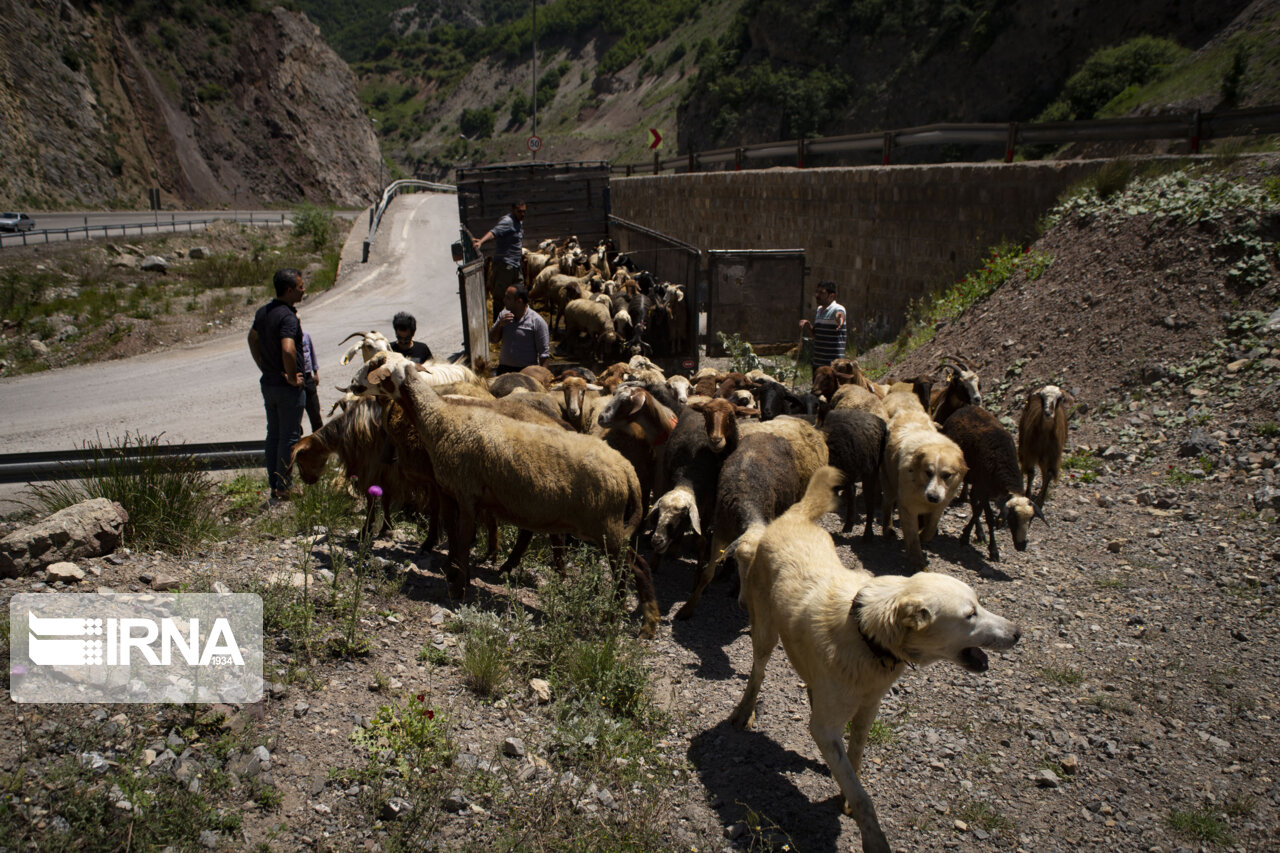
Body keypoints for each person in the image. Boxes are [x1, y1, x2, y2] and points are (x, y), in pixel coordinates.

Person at [248, 268, 307, 501]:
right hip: (287, 388)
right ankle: (285, 486)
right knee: (289, 437)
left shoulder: (264, 312)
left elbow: (252, 339)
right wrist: (292, 377)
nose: (304, 290)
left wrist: (263, 365)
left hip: (269, 383)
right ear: (290, 290)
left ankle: (274, 484)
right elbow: (288, 349)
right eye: (301, 286)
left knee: (273, 434)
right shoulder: (287, 317)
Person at [473, 201, 526, 306]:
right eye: (519, 211)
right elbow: (494, 232)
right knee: (501, 297)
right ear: (513, 210)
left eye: (524, 211)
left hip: (515, 264)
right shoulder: (508, 221)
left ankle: (516, 320)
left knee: (520, 294)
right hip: (505, 265)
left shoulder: (519, 222)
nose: (522, 214)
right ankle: (499, 321)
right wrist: (481, 242)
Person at [488, 284, 549, 375]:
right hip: (504, 370)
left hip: (527, 372)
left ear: (519, 301)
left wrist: (543, 376)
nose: (504, 300)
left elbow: (544, 353)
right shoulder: (503, 315)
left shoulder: (537, 321)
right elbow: (493, 340)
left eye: (508, 298)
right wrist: (499, 325)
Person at [799, 280, 847, 369]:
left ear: (831, 296)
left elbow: (840, 314)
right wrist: (808, 326)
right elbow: (817, 336)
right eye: (817, 292)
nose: (817, 295)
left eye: (821, 293)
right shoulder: (819, 310)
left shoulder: (837, 308)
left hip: (833, 365)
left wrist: (839, 318)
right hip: (818, 363)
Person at [300, 330, 322, 433]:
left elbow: (312, 354)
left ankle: (319, 442)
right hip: (295, 379)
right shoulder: (287, 338)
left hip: (308, 377)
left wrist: (316, 372)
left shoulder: (306, 336)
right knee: (295, 417)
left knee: (315, 412)